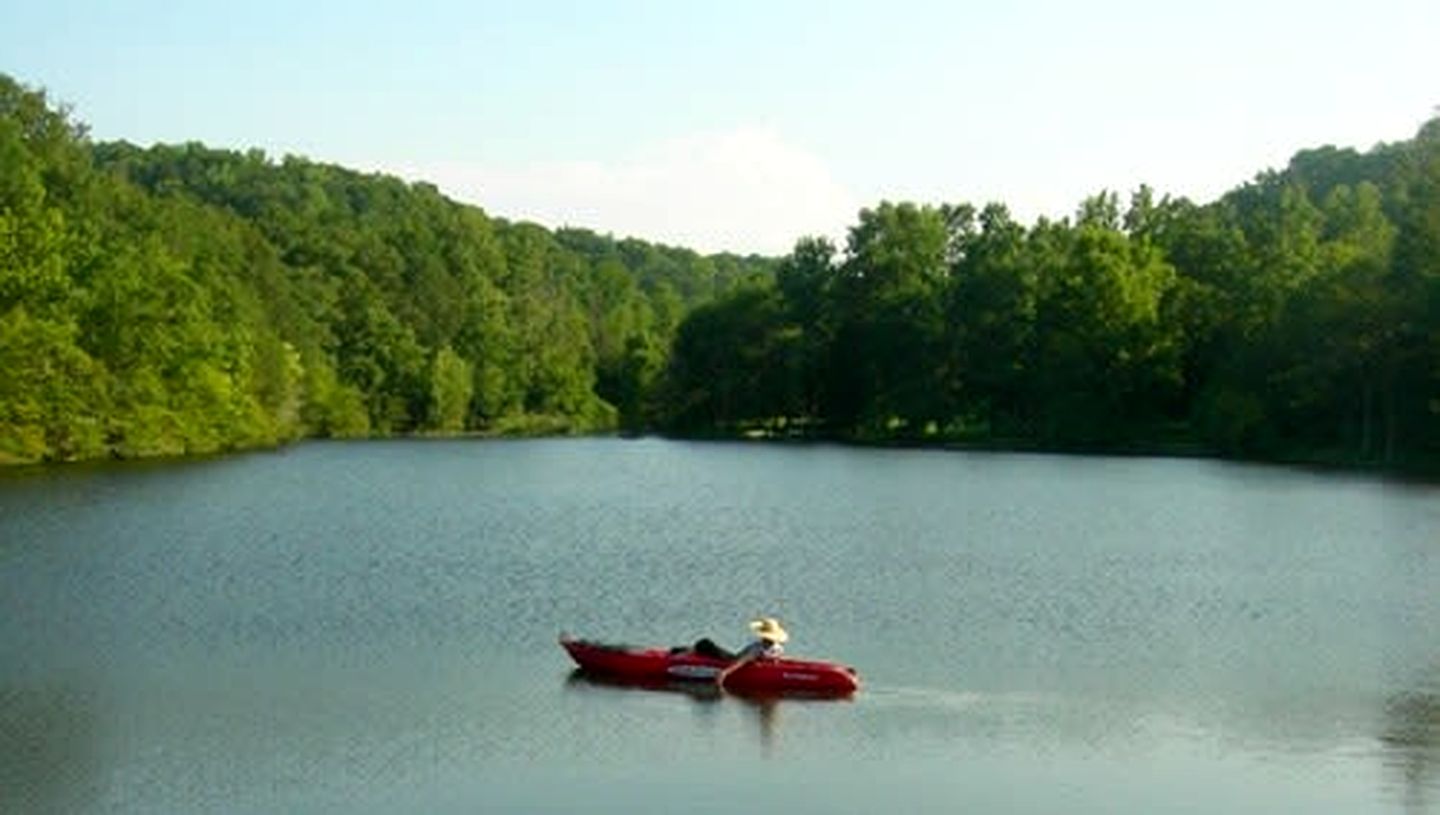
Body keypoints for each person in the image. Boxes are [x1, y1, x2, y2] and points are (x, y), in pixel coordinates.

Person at [717, 616, 788, 687]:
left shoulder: (757, 648)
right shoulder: (779, 648)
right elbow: (778, 659)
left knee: (706, 643)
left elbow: (742, 661)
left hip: (732, 659)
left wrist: (725, 672)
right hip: (747, 659)